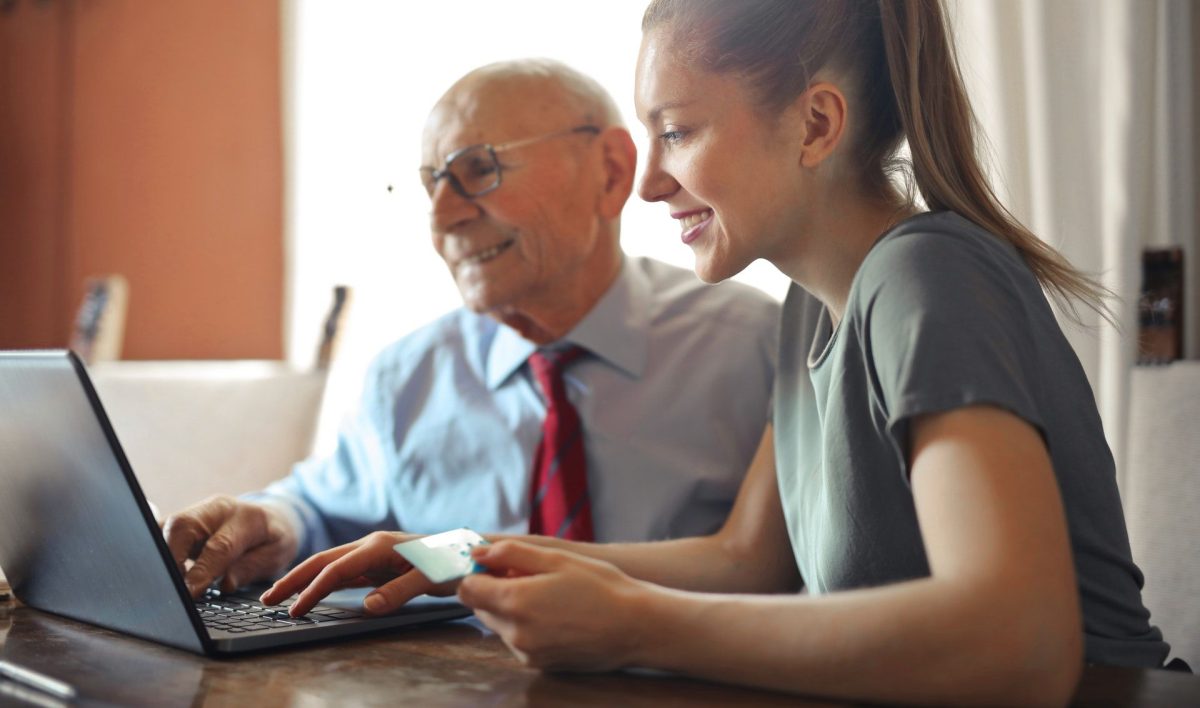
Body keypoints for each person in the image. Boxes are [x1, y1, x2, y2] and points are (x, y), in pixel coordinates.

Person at [262, 1, 1175, 703]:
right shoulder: (809, 312)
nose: (652, 182)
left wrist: (634, 628)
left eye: (678, 131)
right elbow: (747, 559)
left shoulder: (927, 276)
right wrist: (458, 556)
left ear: (816, 126)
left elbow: (1020, 643)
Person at [162, 58, 779, 601]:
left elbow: (775, 571)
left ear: (612, 172)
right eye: (432, 184)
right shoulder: (408, 374)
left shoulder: (756, 346)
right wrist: (271, 522)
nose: (442, 218)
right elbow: (322, 508)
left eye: (477, 170)